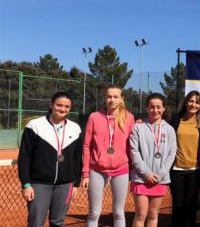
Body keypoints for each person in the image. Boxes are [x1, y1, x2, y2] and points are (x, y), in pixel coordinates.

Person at [18, 91, 82, 227]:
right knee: (36, 222)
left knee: (58, 222)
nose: (63, 109)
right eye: (59, 105)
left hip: (65, 185)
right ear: (51, 105)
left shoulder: (75, 128)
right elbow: (24, 157)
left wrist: (75, 184)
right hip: (39, 184)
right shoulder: (34, 125)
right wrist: (26, 184)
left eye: (67, 106)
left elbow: (77, 159)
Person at [81, 86, 135, 227]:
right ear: (105, 98)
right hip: (97, 169)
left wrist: (133, 169)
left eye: (115, 96)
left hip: (121, 169)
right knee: (94, 212)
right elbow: (87, 146)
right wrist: (85, 173)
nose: (112, 100)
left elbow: (131, 145)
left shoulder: (129, 117)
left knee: (118, 213)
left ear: (121, 98)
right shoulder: (94, 117)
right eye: (109, 96)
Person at [130, 93, 177, 227]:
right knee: (141, 215)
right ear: (146, 108)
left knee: (153, 215)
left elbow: (171, 153)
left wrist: (160, 174)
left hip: (160, 179)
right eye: (151, 107)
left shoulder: (169, 130)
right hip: (141, 178)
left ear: (163, 109)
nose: (155, 110)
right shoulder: (138, 128)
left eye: (158, 107)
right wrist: (146, 173)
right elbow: (134, 152)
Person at [170, 90, 200, 227]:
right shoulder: (175, 120)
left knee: (190, 206)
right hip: (176, 170)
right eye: (191, 101)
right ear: (186, 102)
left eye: (197, 102)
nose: (194, 104)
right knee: (177, 205)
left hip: (195, 171)